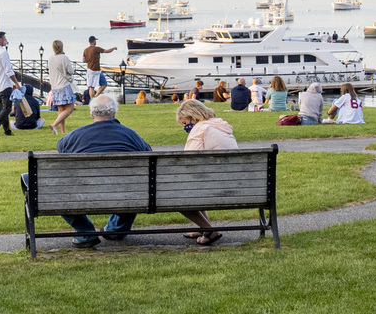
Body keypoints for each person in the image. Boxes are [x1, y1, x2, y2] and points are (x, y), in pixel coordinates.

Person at [53, 93, 151, 247]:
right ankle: (116, 229)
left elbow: (61, 148)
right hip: (125, 192)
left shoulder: (75, 136)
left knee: (54, 187)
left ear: (92, 113)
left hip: (83, 193)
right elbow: (148, 153)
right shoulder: (130, 135)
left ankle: (85, 232)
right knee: (134, 184)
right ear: (114, 113)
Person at [175, 99, 236, 245]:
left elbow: (189, 161)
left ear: (193, 117)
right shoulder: (221, 126)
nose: (185, 127)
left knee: (176, 195)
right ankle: (205, 227)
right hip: (235, 184)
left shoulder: (199, 129)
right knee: (194, 184)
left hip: (214, 186)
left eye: (185, 123)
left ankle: (209, 230)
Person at [0, 30, 21, 137]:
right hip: (5, 84)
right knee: (7, 108)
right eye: (5, 38)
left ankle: (7, 130)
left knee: (3, 109)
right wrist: (16, 83)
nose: (6, 41)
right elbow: (8, 70)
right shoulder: (3, 53)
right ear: (0, 40)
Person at [47, 39, 76, 135]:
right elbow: (71, 71)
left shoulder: (50, 58)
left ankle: (63, 131)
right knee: (69, 109)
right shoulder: (64, 58)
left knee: (61, 109)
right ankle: (54, 124)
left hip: (54, 86)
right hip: (64, 85)